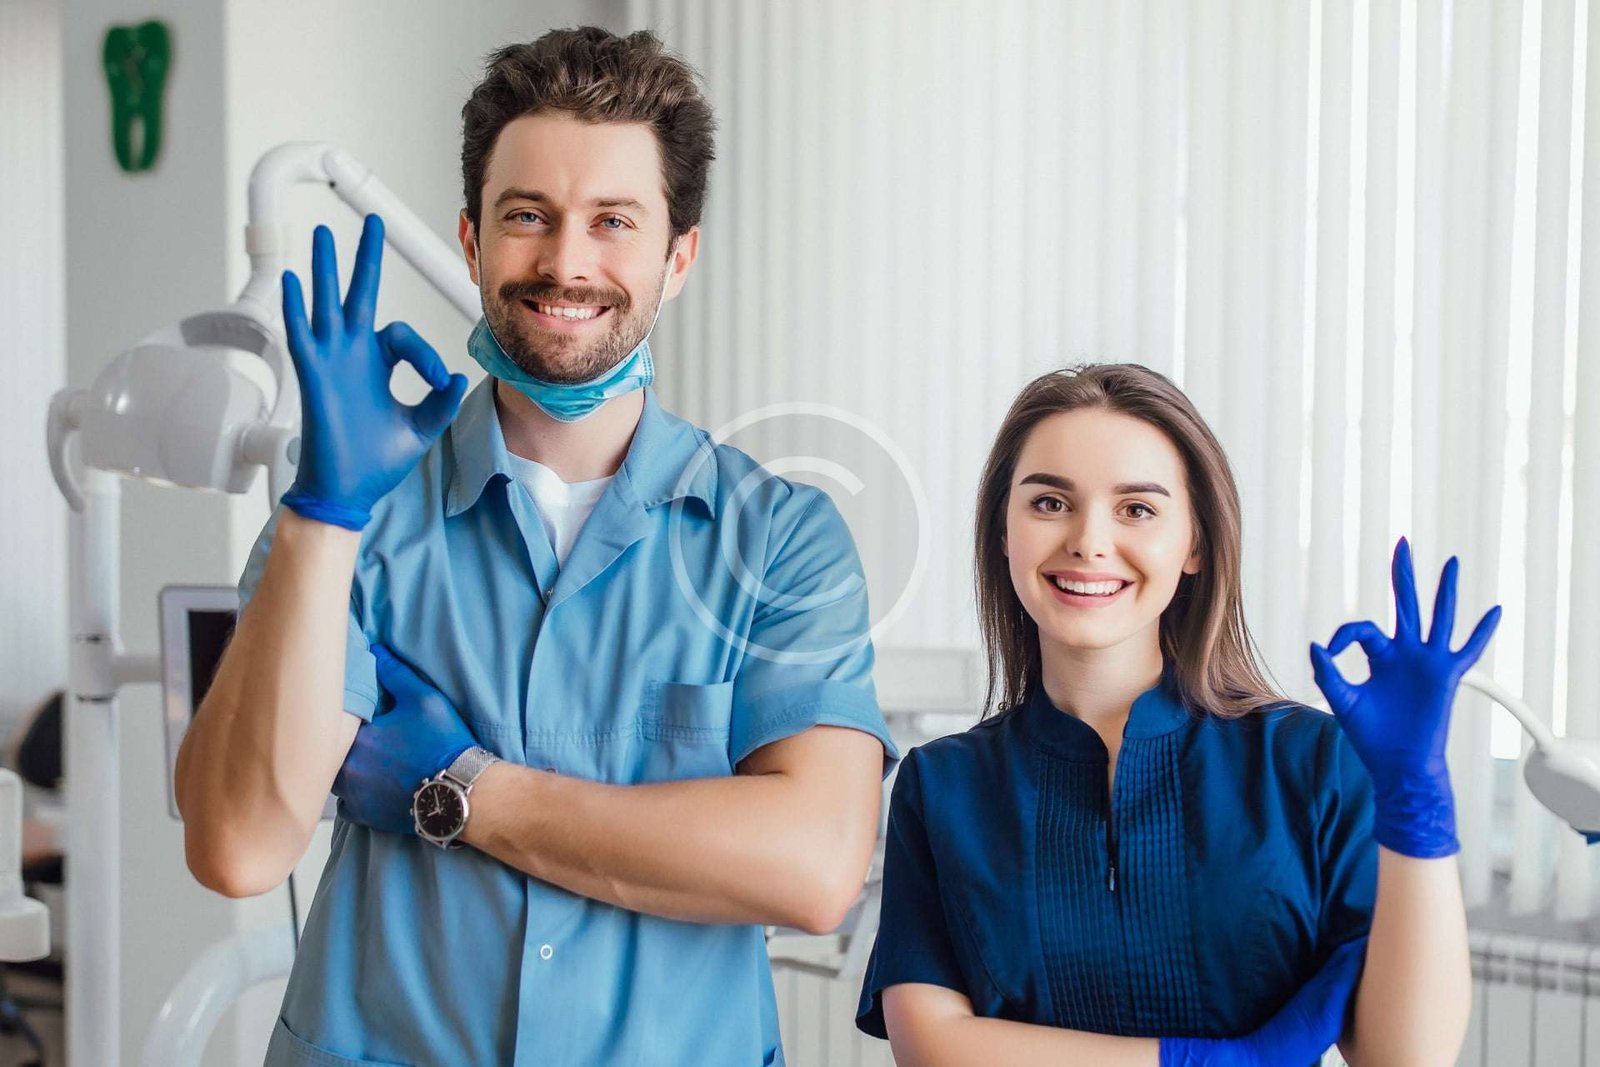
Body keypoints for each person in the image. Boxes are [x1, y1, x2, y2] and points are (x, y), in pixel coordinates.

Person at [174, 27, 895, 1067]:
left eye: (613, 220)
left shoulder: (778, 540)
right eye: (528, 217)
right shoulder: (359, 515)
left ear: (676, 254)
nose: (566, 261)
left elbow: (814, 865)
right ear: (471, 240)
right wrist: (322, 513)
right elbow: (240, 844)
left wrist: (461, 788)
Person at [857, 364, 1496, 1065]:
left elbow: (1407, 1056)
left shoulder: (1311, 764)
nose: (1089, 541)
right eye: (1049, 503)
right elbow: (933, 1047)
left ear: (1194, 543)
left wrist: (1418, 798)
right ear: (1003, 531)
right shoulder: (941, 786)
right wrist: (1212, 1061)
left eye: (1137, 508)